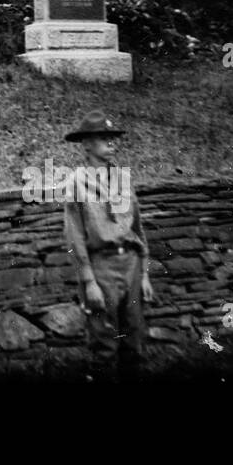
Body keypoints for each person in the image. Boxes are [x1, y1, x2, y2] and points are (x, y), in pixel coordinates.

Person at [63, 110, 153, 381]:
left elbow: (137, 227)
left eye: (112, 138)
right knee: (104, 343)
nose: (111, 143)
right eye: (103, 138)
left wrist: (145, 273)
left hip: (131, 265)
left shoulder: (123, 179)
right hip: (101, 266)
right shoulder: (76, 182)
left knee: (134, 340)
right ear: (87, 144)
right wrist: (89, 281)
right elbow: (75, 236)